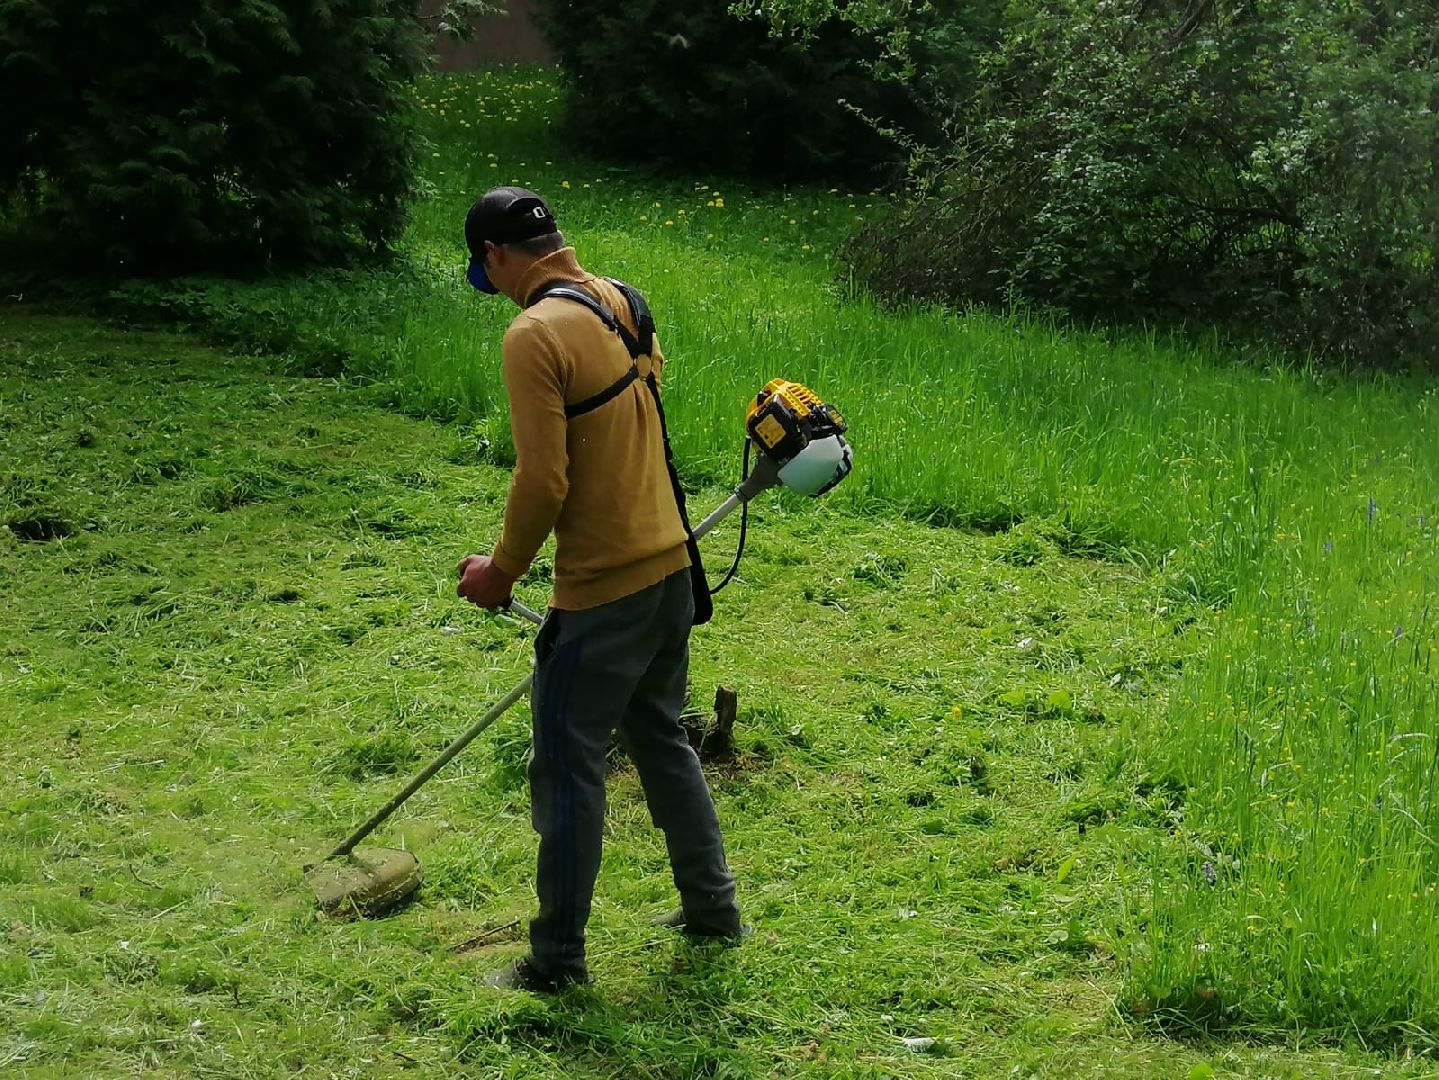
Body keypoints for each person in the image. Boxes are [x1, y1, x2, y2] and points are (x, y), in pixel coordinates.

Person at [455, 186, 745, 993]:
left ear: (494, 257)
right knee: (659, 738)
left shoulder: (534, 331)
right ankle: (712, 909)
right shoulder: (620, 299)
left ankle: (554, 963)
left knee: (567, 766)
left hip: (605, 588)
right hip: (669, 569)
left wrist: (500, 572)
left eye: (488, 272)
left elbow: (544, 480)